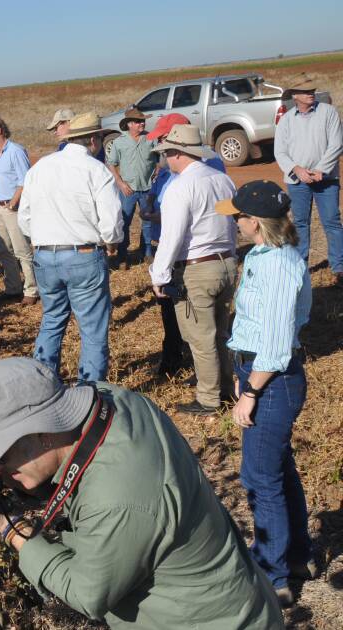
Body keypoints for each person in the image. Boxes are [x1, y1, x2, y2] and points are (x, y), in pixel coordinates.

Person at [0, 357, 283, 629]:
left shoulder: (118, 499)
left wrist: (10, 529)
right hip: (232, 601)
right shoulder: (109, 399)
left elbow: (87, 593)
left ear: (43, 432)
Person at [217, 180, 317, 607]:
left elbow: (276, 345)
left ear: (255, 223)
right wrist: (243, 373)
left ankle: (272, 574)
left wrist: (250, 392)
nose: (235, 221)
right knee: (279, 469)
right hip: (258, 372)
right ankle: (297, 557)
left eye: (238, 216)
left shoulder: (278, 266)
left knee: (260, 477)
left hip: (271, 382)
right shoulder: (262, 255)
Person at [18, 112, 121, 381]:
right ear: (92, 139)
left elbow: (24, 218)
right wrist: (111, 242)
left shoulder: (40, 166)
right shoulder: (96, 170)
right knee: (92, 329)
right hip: (84, 255)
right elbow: (111, 221)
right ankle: (91, 393)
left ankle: (42, 385)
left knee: (52, 320)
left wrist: (42, 239)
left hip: (44, 255)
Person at [148, 124, 237, 415]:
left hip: (197, 268)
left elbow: (172, 237)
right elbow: (229, 222)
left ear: (176, 153)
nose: (165, 158)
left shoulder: (180, 187)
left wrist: (159, 275)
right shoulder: (222, 180)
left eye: (166, 153)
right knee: (220, 332)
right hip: (225, 263)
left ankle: (209, 399)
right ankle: (225, 389)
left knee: (201, 338)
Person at [273, 78, 343, 286]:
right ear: (294, 96)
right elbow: (280, 151)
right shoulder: (286, 120)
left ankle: (339, 269)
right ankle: (300, 268)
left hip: (326, 178)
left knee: (332, 222)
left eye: (312, 90)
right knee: (300, 223)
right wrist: (297, 170)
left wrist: (322, 169)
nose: (310, 94)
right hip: (298, 181)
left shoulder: (328, 112)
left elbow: (337, 144)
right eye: (305, 92)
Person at [0, 117, 37, 304]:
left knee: (22, 250)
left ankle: (31, 290)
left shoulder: (16, 151)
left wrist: (13, 203)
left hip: (12, 208)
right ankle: (13, 287)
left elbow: (25, 181)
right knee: (4, 250)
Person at [106, 107, 159, 266]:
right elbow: (111, 164)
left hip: (148, 188)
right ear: (129, 124)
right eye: (138, 121)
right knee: (125, 221)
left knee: (148, 220)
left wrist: (157, 170)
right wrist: (120, 183)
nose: (141, 124)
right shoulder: (119, 142)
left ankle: (147, 252)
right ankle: (123, 255)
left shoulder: (151, 138)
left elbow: (159, 158)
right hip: (127, 189)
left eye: (142, 121)